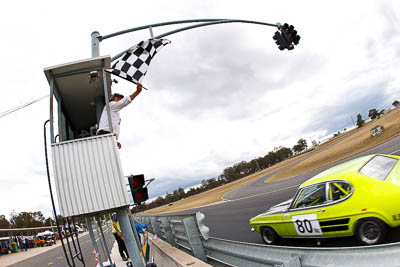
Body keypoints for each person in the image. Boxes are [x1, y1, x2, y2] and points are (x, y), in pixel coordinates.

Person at [97, 83, 143, 149]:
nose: (120, 99)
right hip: (105, 134)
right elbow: (123, 102)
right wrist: (137, 92)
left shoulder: (114, 111)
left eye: (120, 98)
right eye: (117, 97)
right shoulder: (110, 105)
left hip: (108, 135)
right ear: (112, 98)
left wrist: (115, 141)